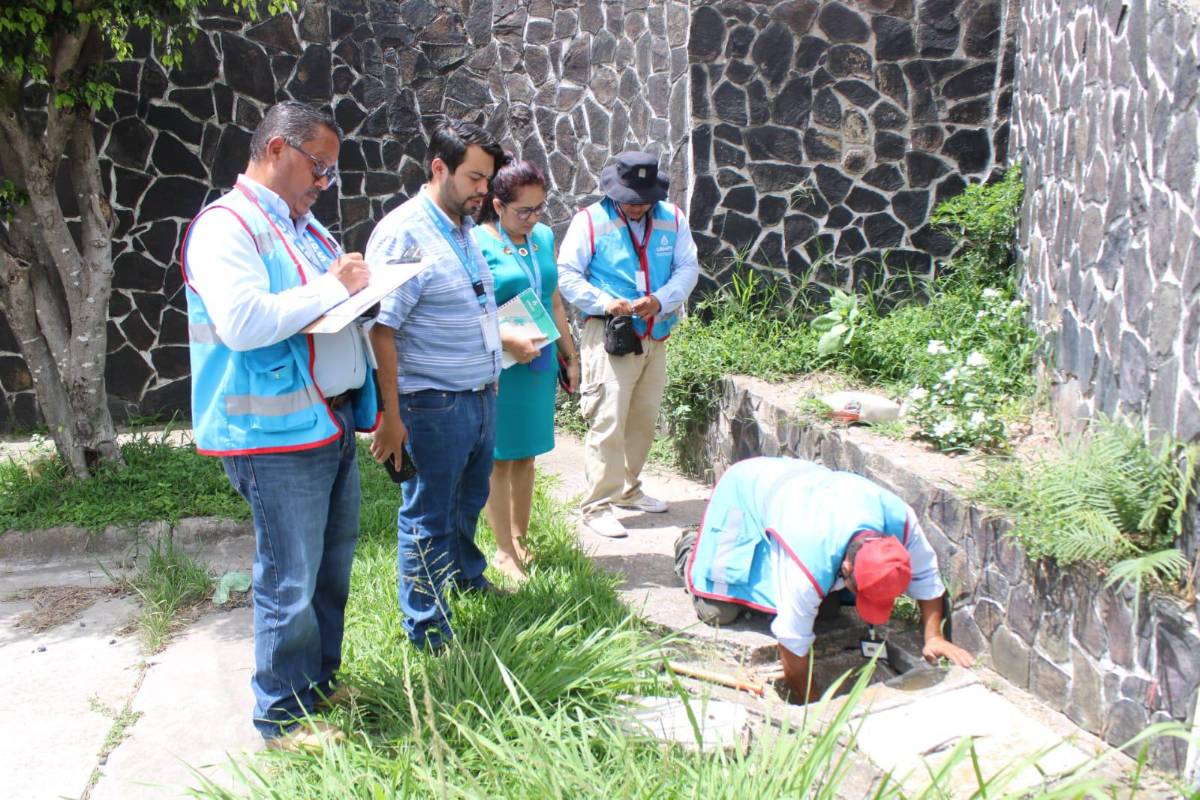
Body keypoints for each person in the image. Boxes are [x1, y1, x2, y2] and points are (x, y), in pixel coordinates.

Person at [181, 101, 377, 751]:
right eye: (317, 166)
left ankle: (318, 684)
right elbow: (243, 321)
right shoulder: (226, 227)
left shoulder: (302, 225)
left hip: (326, 420)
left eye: (331, 173)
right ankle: (283, 718)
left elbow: (330, 299)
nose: (324, 182)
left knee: (329, 570)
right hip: (275, 439)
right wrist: (336, 287)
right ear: (273, 149)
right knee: (290, 580)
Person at [365, 118, 506, 651]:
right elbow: (381, 328)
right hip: (432, 404)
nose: (482, 191)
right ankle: (427, 629)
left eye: (487, 179)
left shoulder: (464, 228)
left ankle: (465, 579)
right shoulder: (405, 232)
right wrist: (391, 417)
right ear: (439, 167)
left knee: (466, 502)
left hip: (479, 395)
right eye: (473, 178)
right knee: (427, 514)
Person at [674, 457, 974, 702]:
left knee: (827, 613)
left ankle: (761, 572)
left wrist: (933, 636)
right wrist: (810, 702)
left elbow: (927, 576)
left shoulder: (899, 520)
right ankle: (690, 546)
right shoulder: (809, 550)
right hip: (749, 489)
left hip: (806, 494)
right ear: (845, 567)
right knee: (718, 612)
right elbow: (791, 640)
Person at [557, 152, 699, 539]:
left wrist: (663, 299)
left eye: (644, 200)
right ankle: (597, 505)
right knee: (608, 419)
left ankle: (627, 491)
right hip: (610, 333)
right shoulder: (589, 221)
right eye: (630, 200)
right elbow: (567, 275)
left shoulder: (673, 218)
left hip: (655, 330)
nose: (637, 207)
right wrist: (603, 302)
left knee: (642, 418)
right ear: (613, 193)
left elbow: (688, 268)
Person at [472, 160, 579, 582]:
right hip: (502, 363)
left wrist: (569, 355)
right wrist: (505, 338)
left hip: (539, 359)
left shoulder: (542, 237)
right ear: (497, 205)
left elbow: (552, 298)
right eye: (524, 212)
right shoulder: (477, 242)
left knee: (527, 455)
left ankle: (520, 538)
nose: (533, 219)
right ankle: (502, 551)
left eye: (540, 209)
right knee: (499, 457)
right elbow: (470, 310)